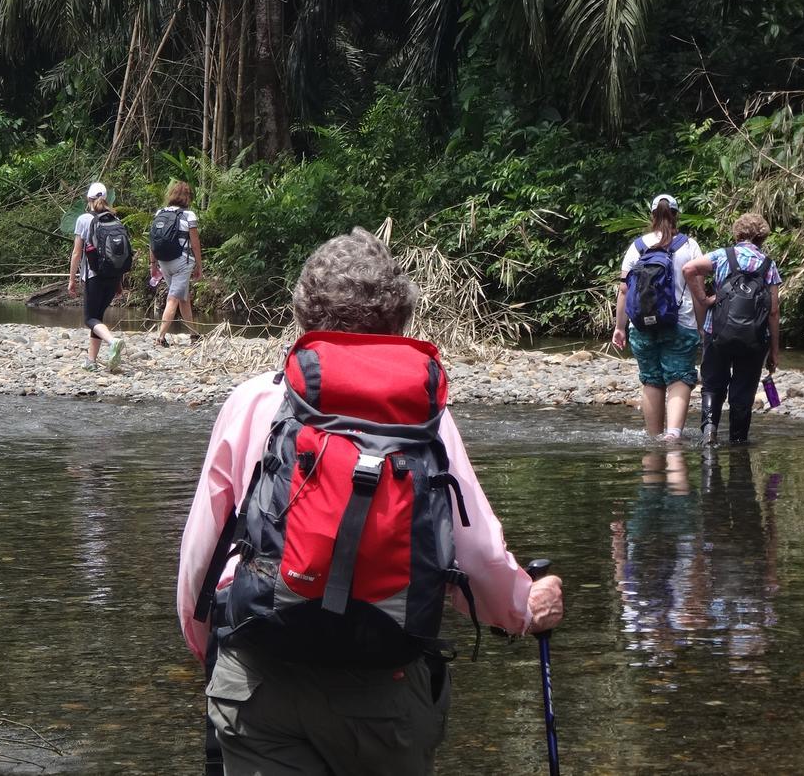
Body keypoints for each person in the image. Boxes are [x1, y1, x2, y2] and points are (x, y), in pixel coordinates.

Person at [176, 227, 564, 775]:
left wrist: (204, 640)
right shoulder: (427, 420)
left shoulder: (256, 400)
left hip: (262, 673)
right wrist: (525, 606)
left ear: (303, 317)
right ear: (399, 321)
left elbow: (203, 551)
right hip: (386, 689)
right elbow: (472, 558)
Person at [682, 212, 782, 444]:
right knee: (744, 389)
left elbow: (688, 269)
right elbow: (774, 311)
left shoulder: (722, 255)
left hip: (717, 331)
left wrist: (704, 299)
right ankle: (738, 442)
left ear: (737, 233)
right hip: (754, 338)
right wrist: (774, 350)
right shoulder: (768, 265)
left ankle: (709, 432)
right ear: (762, 238)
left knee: (713, 384)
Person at [611, 194, 704, 440]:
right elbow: (698, 292)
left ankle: (653, 439)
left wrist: (620, 327)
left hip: (641, 325)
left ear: (652, 216)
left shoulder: (637, 246)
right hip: (680, 323)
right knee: (679, 377)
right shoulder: (689, 246)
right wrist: (703, 327)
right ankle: (673, 436)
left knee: (652, 381)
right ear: (676, 216)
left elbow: (624, 289)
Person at [67, 181, 126, 372]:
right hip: (113, 275)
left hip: (93, 275)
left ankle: (112, 341)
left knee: (89, 319)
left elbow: (77, 253)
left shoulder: (84, 219)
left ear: (88, 199)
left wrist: (71, 279)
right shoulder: (116, 220)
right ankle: (91, 361)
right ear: (106, 198)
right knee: (98, 317)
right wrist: (119, 282)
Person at [149, 180, 203, 346]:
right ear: (187, 197)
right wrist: (199, 265)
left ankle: (194, 335)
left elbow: (153, 240)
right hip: (182, 263)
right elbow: (195, 243)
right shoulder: (189, 215)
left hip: (164, 261)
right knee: (173, 299)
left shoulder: (160, 213)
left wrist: (153, 264)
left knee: (183, 298)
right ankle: (160, 337)